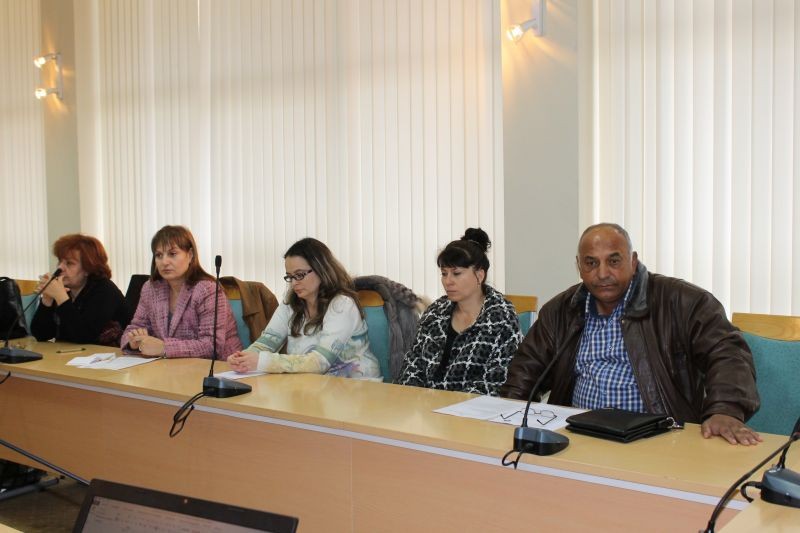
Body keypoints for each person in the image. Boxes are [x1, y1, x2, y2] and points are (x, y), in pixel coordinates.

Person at [500, 223, 761, 445]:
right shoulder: (561, 310)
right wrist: (505, 415)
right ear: (579, 266)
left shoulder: (682, 301)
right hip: (578, 436)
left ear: (633, 261)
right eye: (591, 263)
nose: (603, 273)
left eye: (614, 261)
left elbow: (727, 353)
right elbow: (526, 369)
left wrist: (725, 409)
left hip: (658, 439)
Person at [227, 238, 381, 379]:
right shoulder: (290, 304)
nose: (294, 283)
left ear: (321, 270)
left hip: (358, 389)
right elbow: (267, 342)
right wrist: (243, 357)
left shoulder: (342, 304)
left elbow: (320, 362)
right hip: (313, 386)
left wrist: (262, 361)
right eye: (290, 277)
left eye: (299, 275)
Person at [397, 228, 522, 395]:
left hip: (472, 407)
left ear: (480, 275)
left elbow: (496, 382)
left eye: (456, 273)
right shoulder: (436, 312)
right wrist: (415, 398)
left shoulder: (502, 318)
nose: (447, 281)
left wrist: (450, 405)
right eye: (444, 274)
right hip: (423, 405)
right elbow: (412, 365)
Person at [121, 225, 242, 358]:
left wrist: (164, 348)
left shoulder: (208, 290)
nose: (164, 262)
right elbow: (133, 329)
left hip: (219, 365)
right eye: (159, 255)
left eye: (172, 254)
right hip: (169, 365)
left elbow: (211, 345)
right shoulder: (150, 289)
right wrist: (134, 342)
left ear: (190, 255)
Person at [31, 234, 129, 346]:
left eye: (69, 263)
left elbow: (84, 336)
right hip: (72, 354)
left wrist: (61, 297)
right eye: (60, 261)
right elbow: (41, 334)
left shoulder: (105, 290)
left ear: (88, 269)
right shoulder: (65, 289)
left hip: (110, 353)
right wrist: (47, 299)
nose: (60, 267)